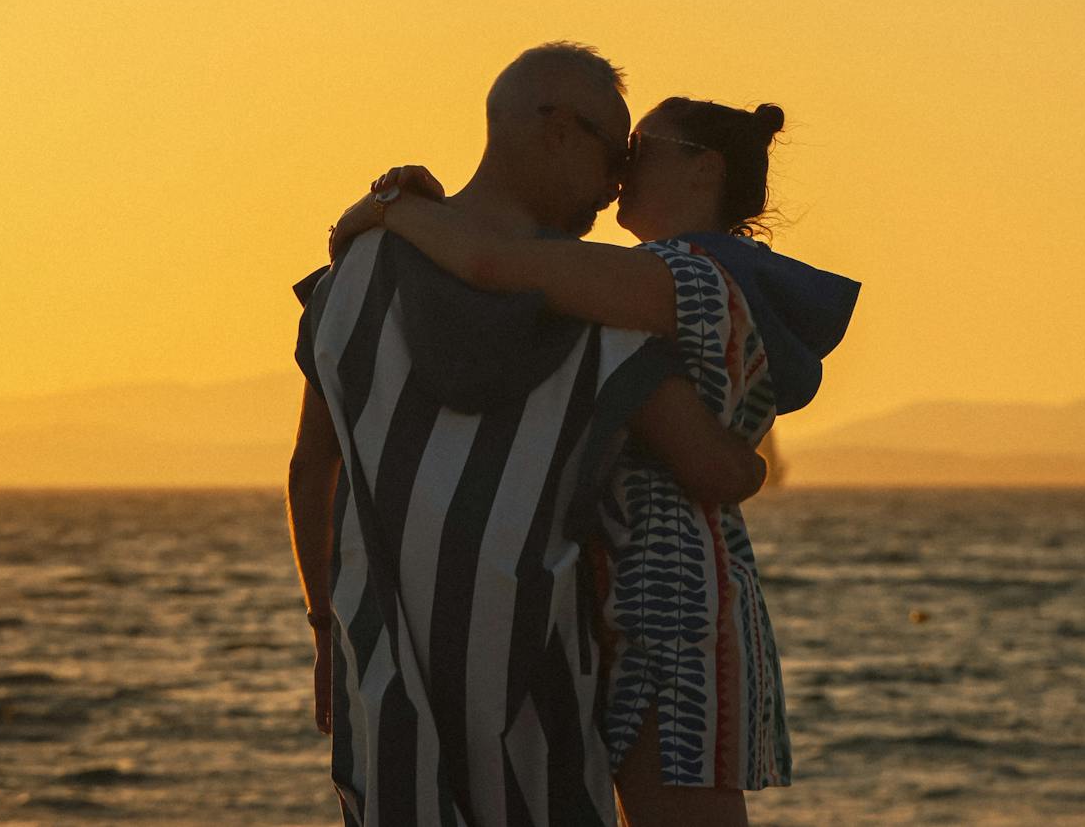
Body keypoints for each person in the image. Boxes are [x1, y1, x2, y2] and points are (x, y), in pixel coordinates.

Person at [328, 94, 860, 827]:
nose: (622, 165)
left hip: (668, 599)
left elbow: (495, 263)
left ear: (703, 167)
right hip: (665, 585)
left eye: (641, 146)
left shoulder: (682, 277)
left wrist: (393, 207)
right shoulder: (693, 276)